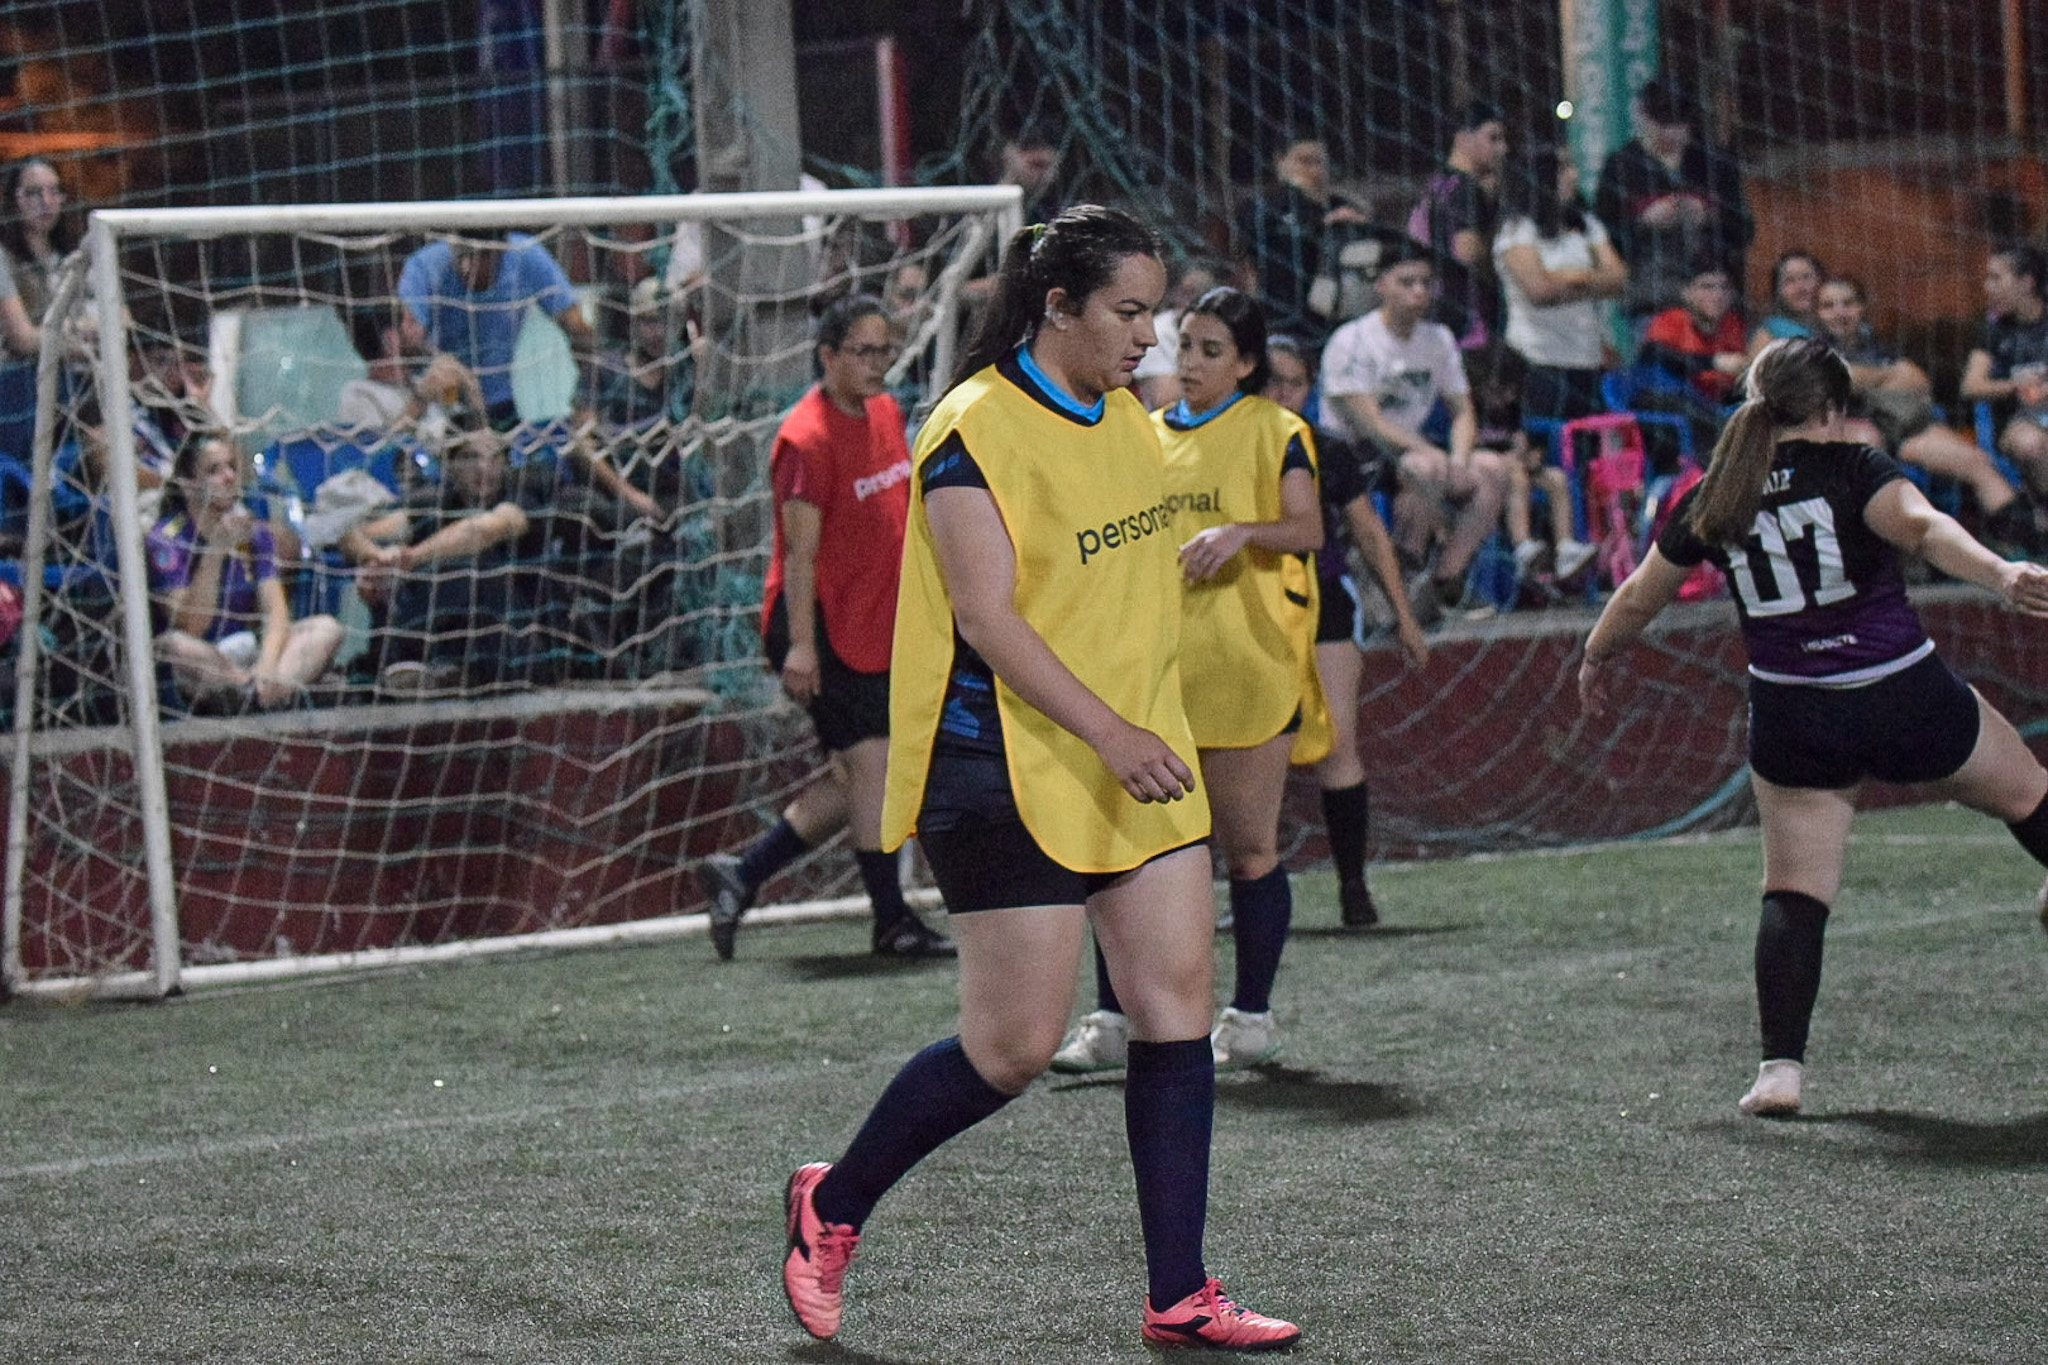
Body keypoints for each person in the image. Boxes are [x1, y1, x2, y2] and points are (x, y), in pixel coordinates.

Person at [778, 206, 1300, 1352]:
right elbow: (986, 618)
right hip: (998, 764)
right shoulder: (970, 427)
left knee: (1174, 1011)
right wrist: (1111, 732)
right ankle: (832, 1202)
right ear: (1057, 307)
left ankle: (1178, 1293)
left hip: (1136, 756)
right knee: (1012, 1049)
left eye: (1156, 314)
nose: (1149, 337)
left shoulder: (1131, 416)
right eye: (1128, 312)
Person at [1579, 337, 2048, 1117]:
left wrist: (1596, 654)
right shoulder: (1855, 468)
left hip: (1795, 712)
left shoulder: (1716, 491)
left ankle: (1779, 1072)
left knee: (1795, 892)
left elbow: (1638, 596)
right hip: (1900, 691)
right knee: (2031, 796)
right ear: (1832, 409)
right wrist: (2000, 572)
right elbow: (1923, 527)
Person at [1052, 286, 1329, 1074]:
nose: (1193, 363)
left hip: (1244, 665)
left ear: (1246, 363)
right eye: (1187, 347)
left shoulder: (1277, 430)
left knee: (1248, 850)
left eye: (1214, 350)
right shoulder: (1139, 430)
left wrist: (1242, 533)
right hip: (1152, 671)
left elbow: (1308, 528)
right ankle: (1112, 1018)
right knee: (1130, 850)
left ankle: (1250, 1016)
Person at [696, 295, 954, 962]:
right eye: (863, 352)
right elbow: (800, 556)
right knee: (874, 765)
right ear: (828, 356)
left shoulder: (886, 411)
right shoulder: (806, 440)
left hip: (873, 622)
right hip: (819, 626)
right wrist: (804, 647)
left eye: (884, 350)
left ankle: (743, 873)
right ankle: (891, 920)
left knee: (861, 776)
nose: (877, 363)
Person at [1320, 238, 1511, 627]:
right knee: (1426, 468)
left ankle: (1446, 580)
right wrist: (1433, 454)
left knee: (1493, 469)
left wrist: (1459, 459)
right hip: (1357, 453)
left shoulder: (1438, 338)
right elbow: (1369, 421)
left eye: (1426, 283)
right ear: (1382, 286)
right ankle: (1405, 575)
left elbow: (1463, 410)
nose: (1419, 291)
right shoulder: (1351, 340)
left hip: (1413, 450)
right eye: (1407, 282)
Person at [1814, 274, 2047, 555]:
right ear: (1818, 313)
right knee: (1870, 450)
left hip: (1903, 429)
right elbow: (1838, 382)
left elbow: (1919, 381)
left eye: (1848, 303)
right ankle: (1886, 559)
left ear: (1862, 307)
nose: (1840, 312)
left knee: (1976, 462)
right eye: (1829, 306)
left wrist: (1865, 377)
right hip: (1856, 433)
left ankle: (2027, 547)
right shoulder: (1811, 350)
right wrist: (1887, 376)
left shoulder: (1878, 346)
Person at [341, 425, 552, 694]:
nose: (483, 468)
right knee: (386, 578)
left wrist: (409, 559)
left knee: (469, 567)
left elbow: (483, 530)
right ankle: (413, 671)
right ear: (450, 465)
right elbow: (352, 536)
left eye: (494, 458)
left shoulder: (524, 493)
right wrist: (379, 559)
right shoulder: (436, 501)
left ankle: (412, 659)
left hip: (513, 645)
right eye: (470, 457)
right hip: (446, 638)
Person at [148, 432, 344, 713]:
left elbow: (275, 612)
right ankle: (263, 694)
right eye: (214, 471)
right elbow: (192, 626)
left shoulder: (254, 533)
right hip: (207, 660)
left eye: (232, 467)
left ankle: (258, 695)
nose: (229, 477)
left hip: (250, 655)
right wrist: (216, 550)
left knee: (326, 628)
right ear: (188, 484)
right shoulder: (167, 540)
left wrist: (267, 665)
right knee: (174, 647)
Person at [1594, 76, 1754, 323]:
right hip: (1652, 302)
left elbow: (1745, 231)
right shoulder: (1622, 166)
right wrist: (1644, 222)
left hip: (1715, 301)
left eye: (1679, 125)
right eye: (1662, 124)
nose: (1670, 133)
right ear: (1644, 117)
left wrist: (1708, 216)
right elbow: (1601, 238)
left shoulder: (1713, 162)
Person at [1235, 135, 1376, 340]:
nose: (1314, 170)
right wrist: (1304, 203)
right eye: (1304, 161)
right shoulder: (1264, 207)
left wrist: (1362, 226)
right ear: (1280, 161)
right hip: (1281, 315)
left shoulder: (1345, 207)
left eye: (1320, 162)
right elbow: (1249, 243)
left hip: (1335, 315)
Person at [1409, 99, 1509, 353]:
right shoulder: (1466, 189)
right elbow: (1466, 252)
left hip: (1437, 309)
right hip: (1470, 318)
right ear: (1463, 139)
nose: (1503, 148)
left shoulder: (1435, 184)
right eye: (1493, 138)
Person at [1635, 257, 1748, 460]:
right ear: (1686, 292)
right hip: (1665, 411)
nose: (1717, 295)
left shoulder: (1732, 325)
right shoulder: (1671, 320)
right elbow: (1655, 354)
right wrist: (1714, 362)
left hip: (1711, 405)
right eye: (1707, 287)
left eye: (1724, 288)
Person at [1960, 243, 2048, 498]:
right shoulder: (1994, 330)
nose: (1988, 287)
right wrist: (2016, 386)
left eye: (1996, 278)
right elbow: (1970, 386)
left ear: (2026, 282)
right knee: (2030, 444)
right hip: (2021, 422)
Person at [0, 157, 79, 359]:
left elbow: (123, 319)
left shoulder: (75, 255)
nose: (46, 202)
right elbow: (24, 340)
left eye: (54, 191)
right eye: (34, 193)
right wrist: (83, 334)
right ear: (13, 200)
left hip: (81, 371)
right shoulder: (4, 259)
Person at [1133, 255, 1226, 411]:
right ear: (1173, 293)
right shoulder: (1157, 330)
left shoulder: (1222, 330)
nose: (1194, 301)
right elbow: (1163, 399)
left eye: (1204, 293)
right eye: (1188, 292)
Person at [1746, 250, 1825, 357]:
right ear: (1778, 290)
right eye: (1790, 280)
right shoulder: (1768, 334)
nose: (1800, 287)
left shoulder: (1834, 325)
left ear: (1821, 281)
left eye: (1806, 277)